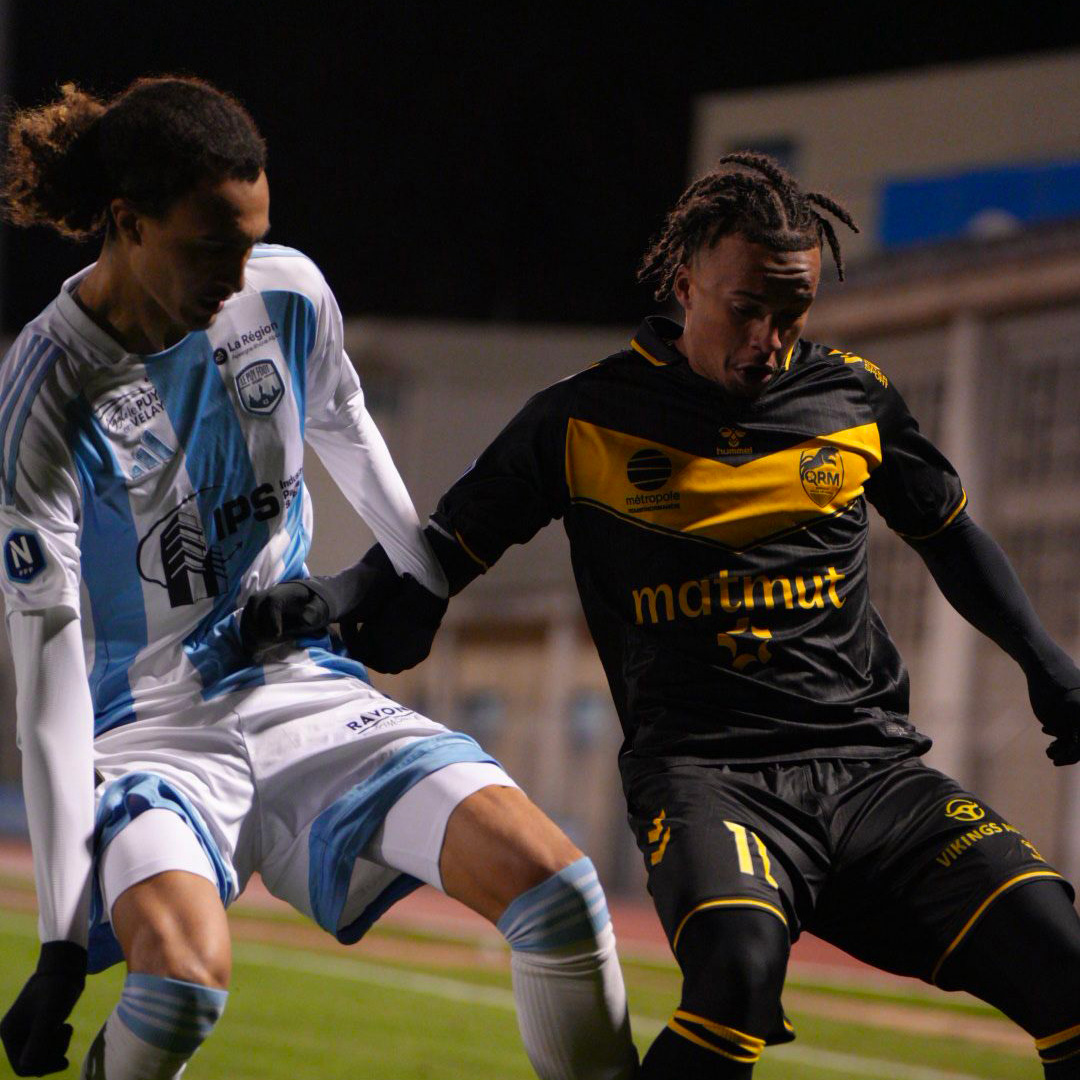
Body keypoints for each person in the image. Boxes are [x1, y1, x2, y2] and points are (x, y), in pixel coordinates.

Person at [246, 152, 1080, 1079]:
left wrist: (1047, 662)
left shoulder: (856, 397)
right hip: (710, 779)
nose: (769, 337)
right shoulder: (581, 419)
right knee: (735, 972)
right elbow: (441, 546)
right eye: (747, 309)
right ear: (686, 284)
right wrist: (338, 598)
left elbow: (952, 538)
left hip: (872, 770)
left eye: (792, 313)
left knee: (1062, 955)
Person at [0, 76, 639, 1080]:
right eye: (211, 245)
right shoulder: (45, 395)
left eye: (251, 240)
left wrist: (417, 575)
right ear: (125, 222)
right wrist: (60, 941)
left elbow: (342, 416)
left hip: (301, 690)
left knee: (558, 893)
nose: (238, 271)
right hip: (144, 729)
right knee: (176, 994)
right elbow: (43, 667)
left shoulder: (285, 290)